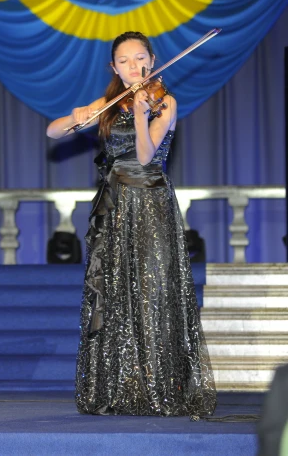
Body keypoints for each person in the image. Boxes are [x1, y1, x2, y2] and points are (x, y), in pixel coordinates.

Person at [46, 31, 217, 417]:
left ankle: (160, 387)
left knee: (152, 292)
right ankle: (121, 387)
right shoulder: (109, 103)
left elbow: (144, 154)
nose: (132, 66)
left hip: (151, 201)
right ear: (114, 67)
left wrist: (141, 114)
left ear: (152, 61)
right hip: (115, 204)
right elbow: (52, 131)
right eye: (123, 61)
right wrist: (77, 117)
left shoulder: (165, 102)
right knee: (117, 294)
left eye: (139, 58)